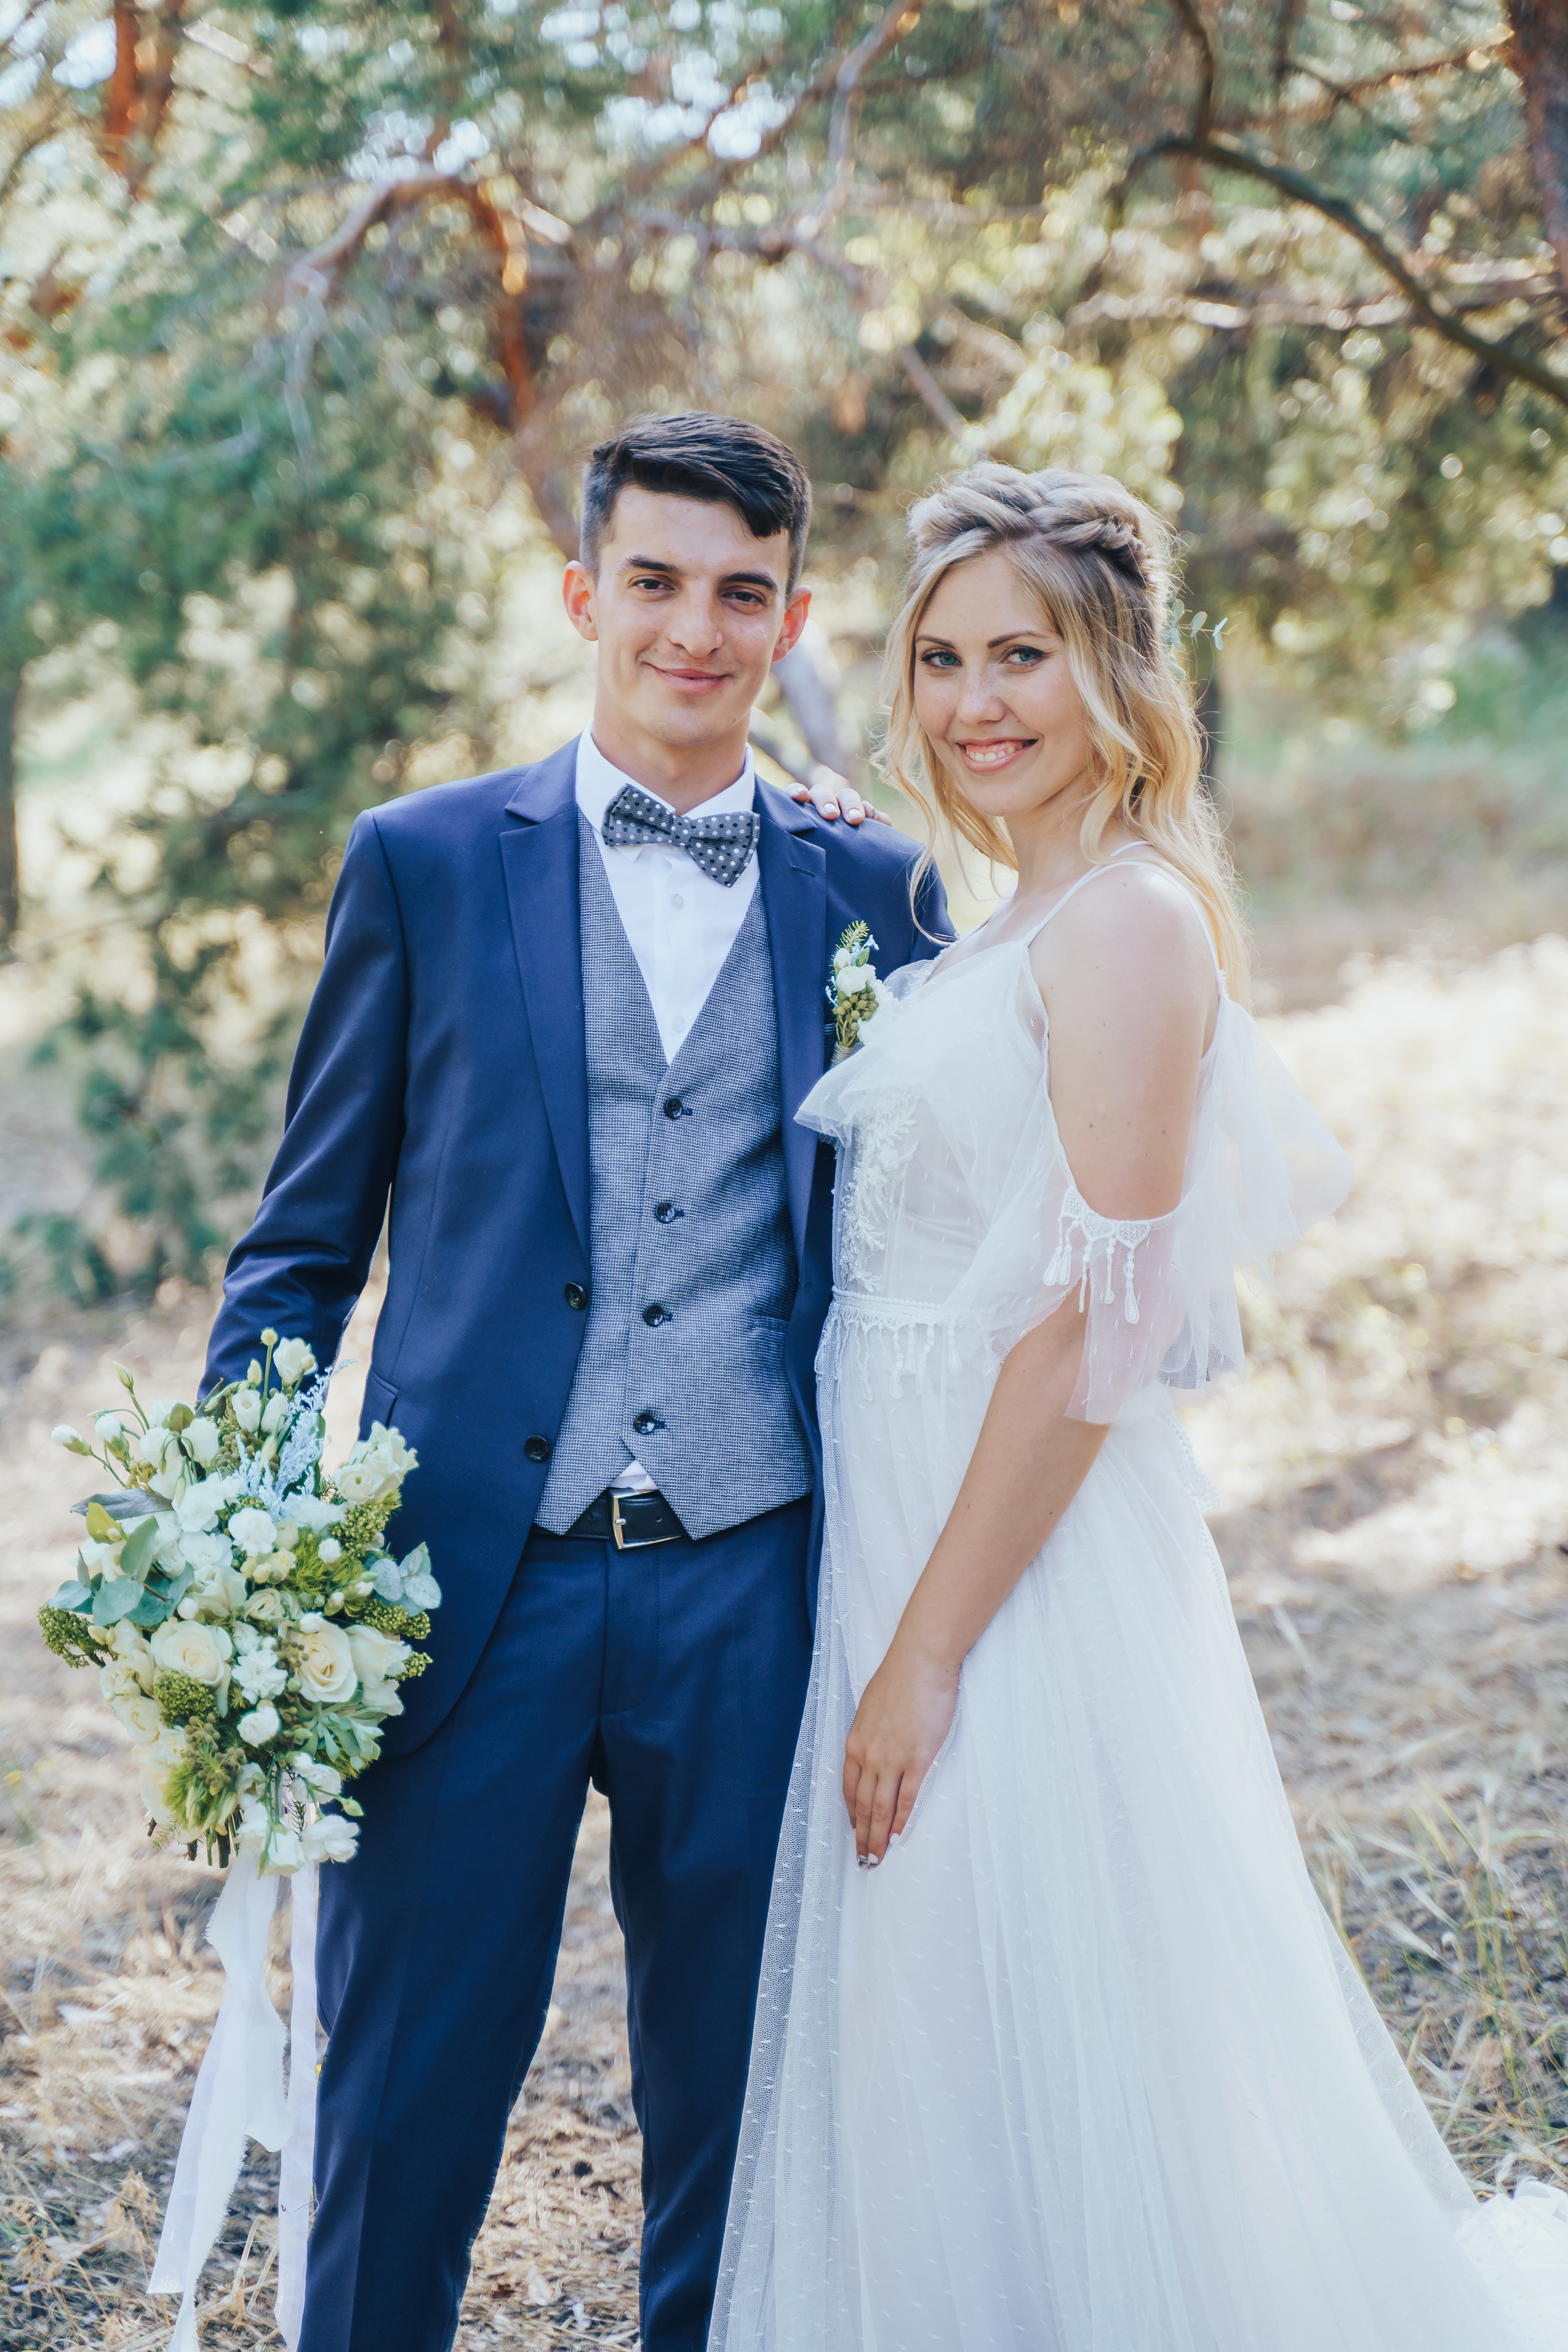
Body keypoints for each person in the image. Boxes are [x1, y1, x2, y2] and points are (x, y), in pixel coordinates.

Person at [712, 462, 1568, 2351]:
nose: (973, 703)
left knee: (1038, 1976)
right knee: (952, 2003)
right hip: (914, 1510)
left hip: (1012, 1560)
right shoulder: (1012, 910)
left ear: (1119, 667)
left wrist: (925, 1653)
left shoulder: (1125, 926)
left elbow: (1093, 1335)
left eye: (1022, 653)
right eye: (939, 660)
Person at [199, 410, 951, 2352]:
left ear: (794, 619)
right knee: (403, 2103)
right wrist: (250, 1538)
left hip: (754, 1574)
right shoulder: (429, 862)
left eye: (740, 594)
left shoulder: (881, 897)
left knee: (744, 2116)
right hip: (461, 1581)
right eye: (657, 584)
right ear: (582, 595)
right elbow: (299, 1250)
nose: (695, 630)